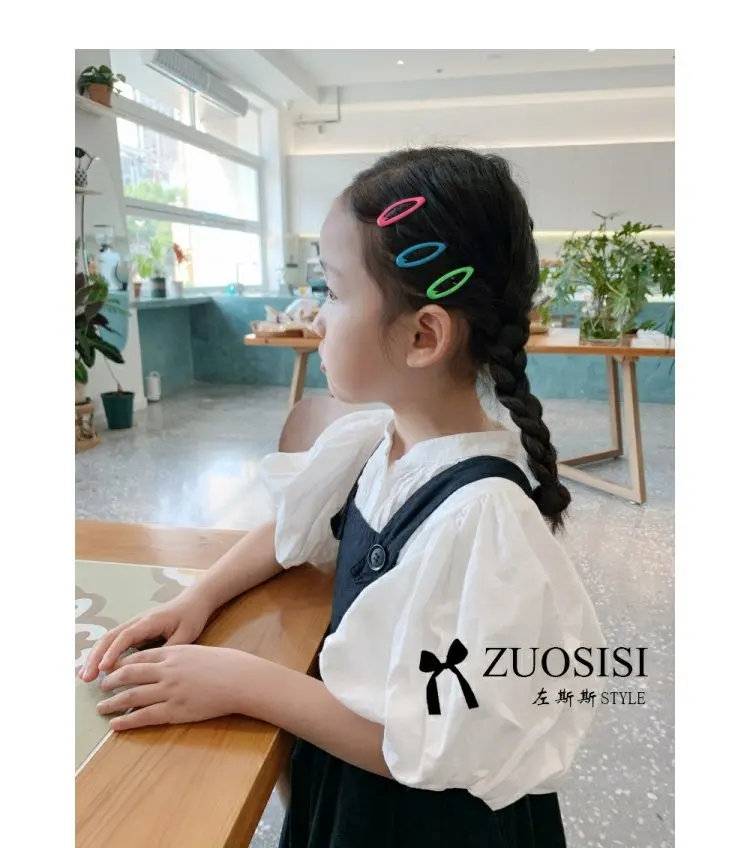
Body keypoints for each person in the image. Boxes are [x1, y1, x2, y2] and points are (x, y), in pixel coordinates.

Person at [80, 147, 605, 847]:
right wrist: (197, 598)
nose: (316, 318)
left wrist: (242, 681)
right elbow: (292, 528)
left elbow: (431, 748)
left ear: (423, 335)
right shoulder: (378, 443)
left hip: (415, 821)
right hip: (348, 776)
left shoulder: (483, 519)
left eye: (331, 290)